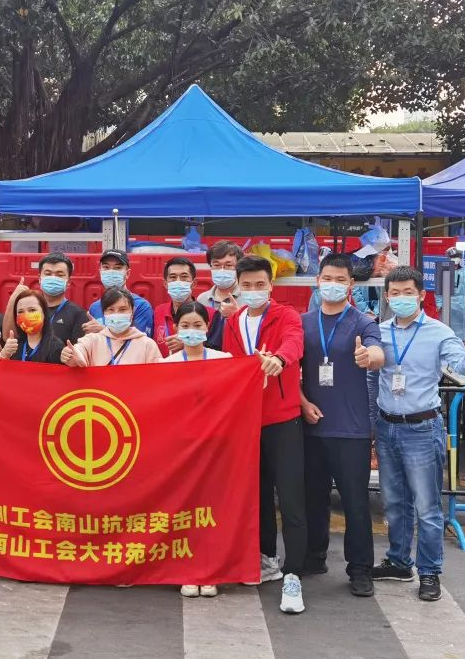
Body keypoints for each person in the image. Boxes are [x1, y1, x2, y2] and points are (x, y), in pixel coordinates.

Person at [372, 266, 465, 602]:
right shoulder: (379, 332)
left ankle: (430, 570)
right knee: (394, 502)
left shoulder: (438, 332)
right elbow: (371, 374)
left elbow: (461, 366)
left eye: (408, 292)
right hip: (387, 425)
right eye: (395, 293)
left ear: (421, 295)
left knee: (427, 506)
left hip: (421, 428)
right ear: (387, 296)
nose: (401, 298)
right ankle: (399, 561)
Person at [221, 255, 307, 614]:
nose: (254, 290)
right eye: (247, 285)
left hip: (282, 419)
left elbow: (294, 343)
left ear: (271, 286)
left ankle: (294, 573)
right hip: (246, 421)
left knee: (290, 497)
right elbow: (228, 363)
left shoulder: (286, 316)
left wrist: (280, 360)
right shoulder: (233, 321)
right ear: (238, 287)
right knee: (257, 494)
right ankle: (267, 558)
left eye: (260, 284)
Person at [299, 254, 385, 598]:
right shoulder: (303, 322)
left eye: (340, 279)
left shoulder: (363, 323)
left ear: (351, 284)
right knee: (313, 498)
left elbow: (377, 353)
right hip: (312, 425)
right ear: (317, 281)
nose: (332, 285)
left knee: (355, 502)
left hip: (351, 430)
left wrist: (369, 357)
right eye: (327, 278)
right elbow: (290, 369)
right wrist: (302, 403)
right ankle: (314, 556)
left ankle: (360, 569)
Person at [162, 301, 230, 599]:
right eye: (185, 326)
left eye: (197, 325)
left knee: (211, 513)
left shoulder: (224, 360)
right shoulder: (164, 364)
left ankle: (210, 571)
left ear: (208, 327)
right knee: (182, 511)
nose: (192, 331)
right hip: (179, 450)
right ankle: (186, 570)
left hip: (215, 448)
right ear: (176, 328)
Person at [1, 253, 89, 346]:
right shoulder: (28, 309)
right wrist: (13, 298)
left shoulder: (78, 315)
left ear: (69, 282)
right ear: (39, 278)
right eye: (48, 274)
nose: (53, 278)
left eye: (60, 275)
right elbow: (8, 338)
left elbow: (78, 350)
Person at [63, 287, 161, 367]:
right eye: (111, 310)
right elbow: (79, 351)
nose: (116, 314)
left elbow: (158, 374)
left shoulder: (148, 345)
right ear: (104, 313)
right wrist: (72, 356)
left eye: (123, 309)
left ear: (132, 312)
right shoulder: (91, 340)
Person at [85, 250, 154, 337]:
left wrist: (103, 330)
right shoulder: (94, 307)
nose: (111, 272)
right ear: (100, 272)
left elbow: (141, 340)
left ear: (127, 273)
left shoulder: (141, 306)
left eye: (117, 268)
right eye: (106, 267)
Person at [196, 240, 244, 351]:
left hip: (238, 356)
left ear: (238, 267)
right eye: (216, 265)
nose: (222, 270)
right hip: (210, 357)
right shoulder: (202, 299)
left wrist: (237, 315)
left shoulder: (249, 298)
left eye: (228, 265)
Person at [0, 290, 65, 364]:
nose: (26, 315)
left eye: (32, 310)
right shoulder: (15, 346)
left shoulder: (56, 347)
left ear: (44, 313)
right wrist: (5, 354)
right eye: (20, 311)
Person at [153, 256, 198, 357]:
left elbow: (215, 349)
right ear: (165, 284)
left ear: (194, 283)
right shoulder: (158, 311)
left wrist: (188, 343)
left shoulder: (209, 314)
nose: (178, 281)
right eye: (173, 277)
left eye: (184, 277)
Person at [435, 246, 465, 341]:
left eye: (457, 256)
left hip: (463, 303)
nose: (455, 258)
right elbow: (439, 289)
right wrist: (439, 304)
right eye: (453, 256)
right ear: (448, 258)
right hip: (448, 303)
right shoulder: (444, 271)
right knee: (447, 327)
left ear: (460, 258)